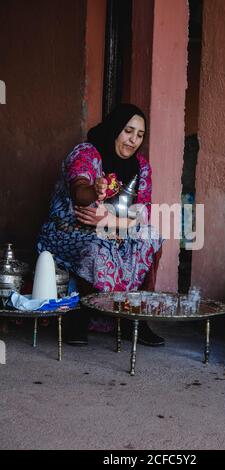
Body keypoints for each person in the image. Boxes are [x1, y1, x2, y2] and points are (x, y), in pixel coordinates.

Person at [37, 103, 164, 346]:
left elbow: (144, 211)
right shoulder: (86, 153)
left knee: (151, 237)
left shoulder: (141, 167)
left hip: (113, 228)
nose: (133, 140)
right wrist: (94, 190)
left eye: (140, 135)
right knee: (99, 243)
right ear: (115, 128)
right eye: (128, 131)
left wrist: (111, 222)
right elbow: (79, 193)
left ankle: (133, 318)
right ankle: (80, 317)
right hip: (67, 231)